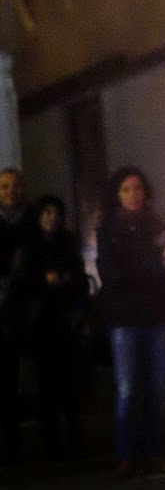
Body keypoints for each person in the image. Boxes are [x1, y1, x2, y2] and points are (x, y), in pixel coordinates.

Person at [96, 166, 165, 476]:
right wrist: (149, 268)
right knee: (128, 388)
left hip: (156, 316)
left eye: (137, 188)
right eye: (126, 189)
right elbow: (111, 275)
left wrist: (144, 270)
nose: (134, 195)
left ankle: (154, 451)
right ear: (117, 195)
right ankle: (126, 454)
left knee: (157, 387)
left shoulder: (156, 226)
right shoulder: (109, 229)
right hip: (125, 319)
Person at [15, 195, 89, 459]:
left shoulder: (67, 243)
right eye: (46, 212)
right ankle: (51, 442)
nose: (52, 218)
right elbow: (21, 283)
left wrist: (66, 280)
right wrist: (43, 281)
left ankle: (74, 438)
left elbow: (81, 280)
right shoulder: (30, 246)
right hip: (42, 323)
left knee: (70, 383)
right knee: (47, 383)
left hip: (66, 322)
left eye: (56, 213)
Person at [0, 167, 33, 464]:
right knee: (7, 377)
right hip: (3, 307)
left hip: (30, 306)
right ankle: (12, 443)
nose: (11, 191)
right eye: (4, 186)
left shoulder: (34, 219)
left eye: (15, 185)